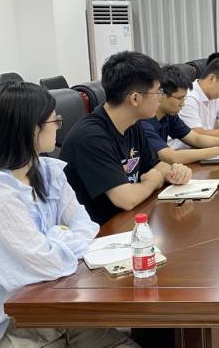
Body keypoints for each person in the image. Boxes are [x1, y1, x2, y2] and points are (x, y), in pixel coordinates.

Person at [0, 82, 138, 348]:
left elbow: (87, 227)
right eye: (55, 121)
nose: (59, 127)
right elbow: (45, 263)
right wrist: (58, 237)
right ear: (30, 128)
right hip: (10, 323)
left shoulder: (48, 171)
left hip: (58, 305)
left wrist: (52, 240)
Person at [60, 51, 192, 224]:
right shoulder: (91, 137)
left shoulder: (132, 124)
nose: (160, 99)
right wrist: (153, 181)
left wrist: (174, 172)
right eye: (157, 92)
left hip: (127, 220)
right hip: (98, 231)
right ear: (135, 99)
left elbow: (156, 165)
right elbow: (126, 199)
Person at [141, 65, 219, 164]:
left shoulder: (169, 115)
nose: (183, 104)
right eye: (179, 98)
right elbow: (171, 157)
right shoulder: (143, 121)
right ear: (161, 94)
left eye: (184, 98)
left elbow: (196, 138)